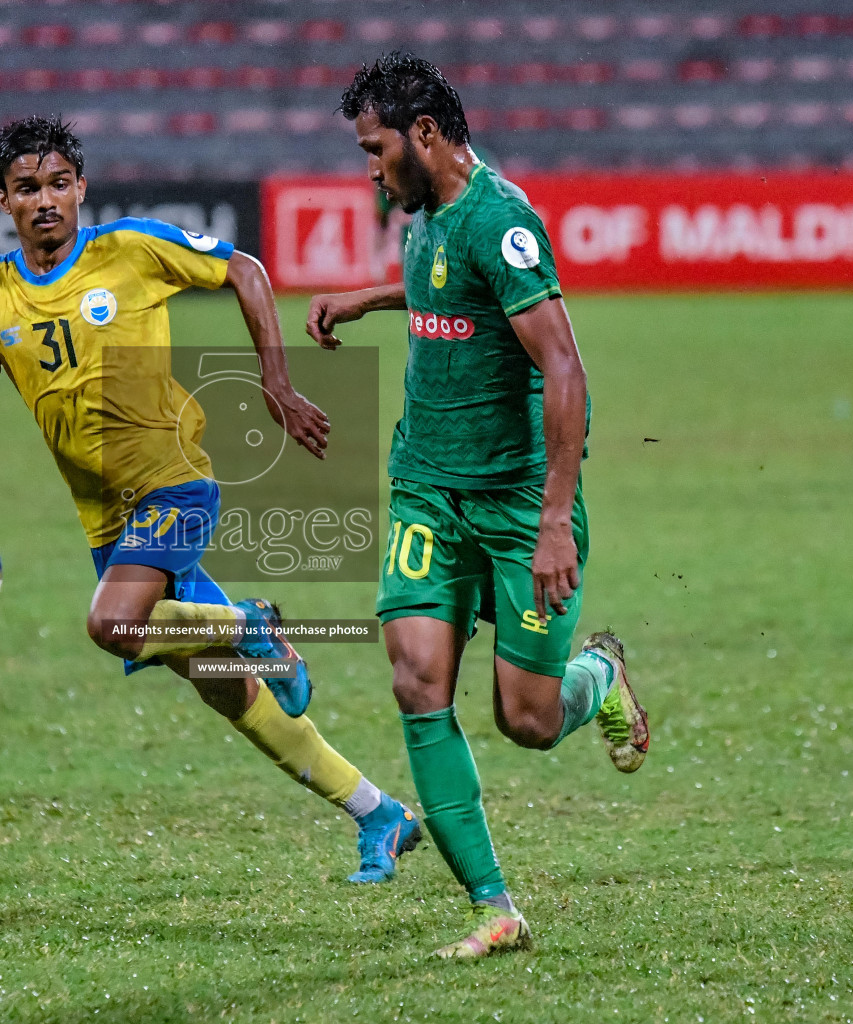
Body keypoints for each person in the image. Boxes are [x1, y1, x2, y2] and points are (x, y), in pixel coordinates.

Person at [0, 115, 422, 883]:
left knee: (114, 624)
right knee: (225, 689)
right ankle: (378, 813)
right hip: (104, 517)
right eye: (27, 189)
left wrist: (275, 383)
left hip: (174, 481)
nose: (45, 200)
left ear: (80, 187)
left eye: (57, 184)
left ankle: (254, 622)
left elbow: (246, 269)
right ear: (2, 200)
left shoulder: (130, 249)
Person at [305, 54, 651, 956]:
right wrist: (364, 299)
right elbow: (440, 294)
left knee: (527, 720)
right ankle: (494, 908)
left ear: (425, 135)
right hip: (427, 487)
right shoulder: (426, 216)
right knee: (417, 679)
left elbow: (565, 367)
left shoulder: (501, 220)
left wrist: (550, 520)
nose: (369, 167)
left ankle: (600, 676)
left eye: (375, 148)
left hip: (516, 504)